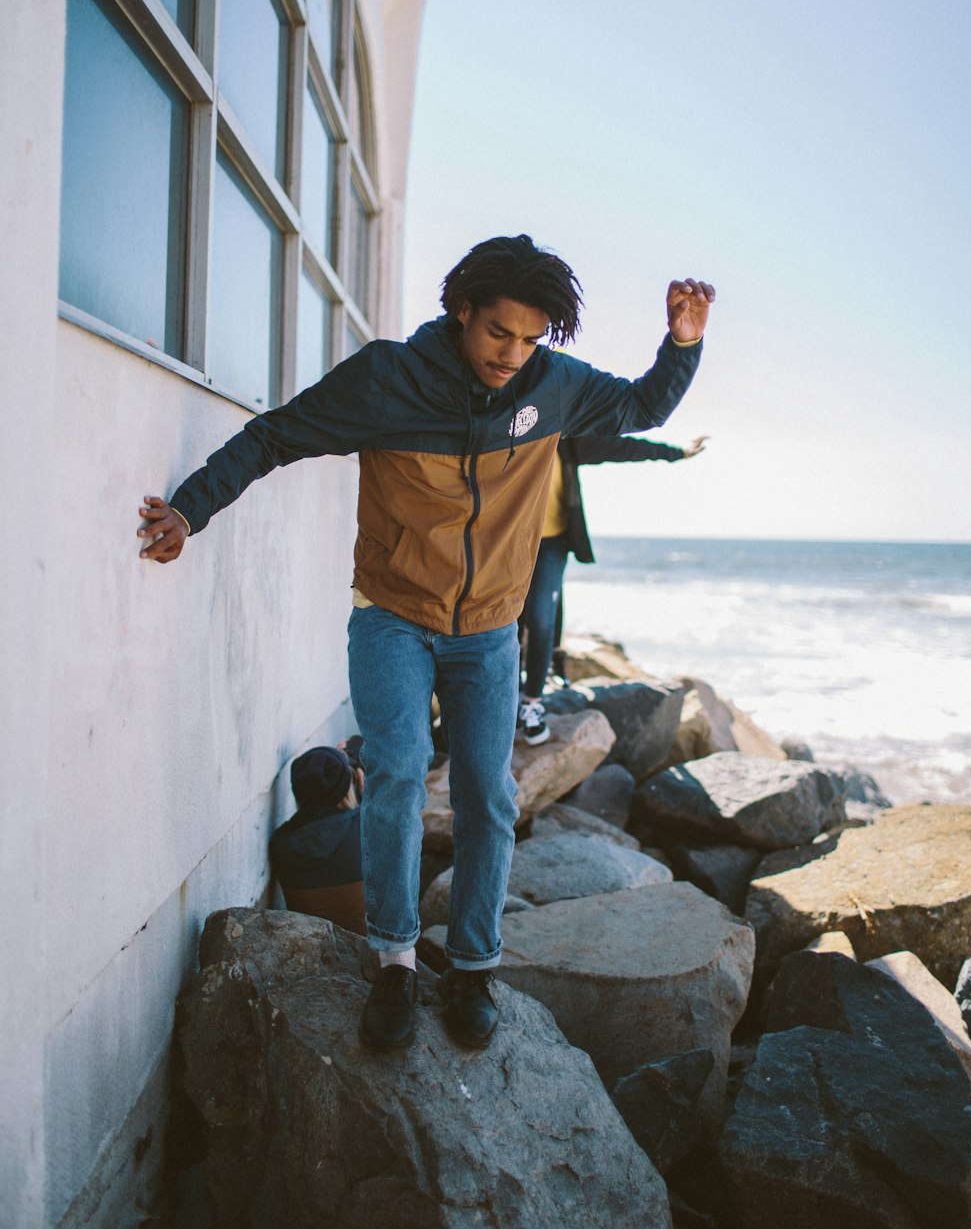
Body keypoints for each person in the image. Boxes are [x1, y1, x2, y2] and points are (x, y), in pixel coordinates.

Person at [136, 234, 714, 1052]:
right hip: (393, 617)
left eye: (530, 339)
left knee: (488, 794)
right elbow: (275, 437)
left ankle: (474, 967)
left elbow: (643, 408)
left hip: (486, 636)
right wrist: (190, 510)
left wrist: (681, 343)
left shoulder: (553, 387)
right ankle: (396, 963)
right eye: (498, 333)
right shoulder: (388, 380)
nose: (513, 355)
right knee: (399, 772)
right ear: (462, 311)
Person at [517, 433, 709, 743]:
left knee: (540, 616)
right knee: (509, 620)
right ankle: (510, 692)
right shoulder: (505, 431)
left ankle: (532, 703)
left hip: (552, 543)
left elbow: (623, 447)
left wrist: (678, 452)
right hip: (508, 543)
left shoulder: (564, 439)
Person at [270, 743, 366, 936]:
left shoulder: (281, 843)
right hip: (370, 946)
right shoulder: (367, 826)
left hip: (315, 946)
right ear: (349, 786)